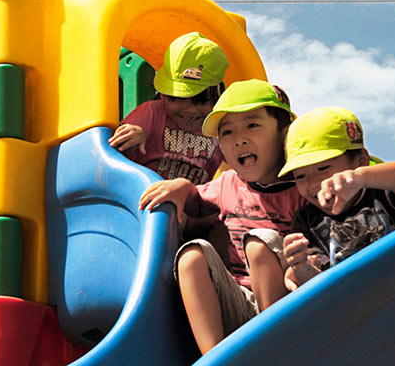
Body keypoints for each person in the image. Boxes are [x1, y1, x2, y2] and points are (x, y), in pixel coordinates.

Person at [139, 79, 307, 354]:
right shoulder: (228, 184)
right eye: (227, 132)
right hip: (240, 304)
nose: (239, 139)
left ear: (285, 134)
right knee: (192, 254)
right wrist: (183, 187)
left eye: (252, 125)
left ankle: (273, 343)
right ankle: (214, 356)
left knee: (259, 242)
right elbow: (195, 201)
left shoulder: (304, 185)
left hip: (292, 306)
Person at [279, 107, 395, 290]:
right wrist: (301, 267)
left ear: (361, 160)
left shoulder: (382, 191)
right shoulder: (307, 221)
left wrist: (360, 177)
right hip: (361, 306)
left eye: (323, 168)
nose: (314, 183)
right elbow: (322, 288)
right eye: (301, 176)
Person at [109, 32, 228, 185]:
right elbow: (113, 157)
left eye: (201, 101)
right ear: (163, 95)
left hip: (192, 202)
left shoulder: (220, 126)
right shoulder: (153, 112)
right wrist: (132, 136)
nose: (189, 109)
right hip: (144, 197)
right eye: (178, 98)